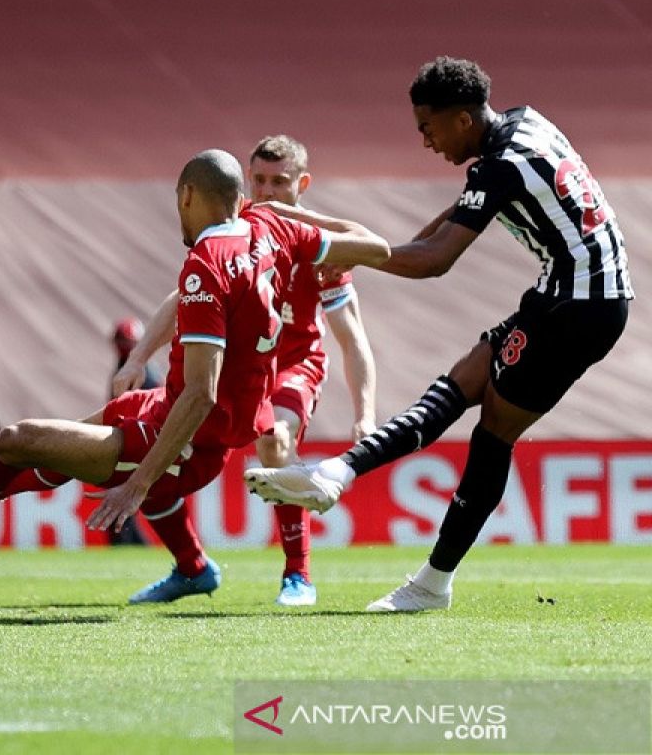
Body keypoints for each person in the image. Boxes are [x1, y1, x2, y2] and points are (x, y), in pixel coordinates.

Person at [0, 150, 390, 606]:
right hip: (170, 406)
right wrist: (296, 218)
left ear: (185, 197)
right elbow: (378, 248)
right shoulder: (273, 229)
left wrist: (139, 484)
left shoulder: (208, 261)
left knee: (21, 439)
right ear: (243, 197)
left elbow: (200, 394)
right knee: (56, 447)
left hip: (187, 437)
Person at [245, 57, 632, 612]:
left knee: (493, 431)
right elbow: (452, 221)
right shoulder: (525, 125)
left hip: (579, 308)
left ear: (461, 119)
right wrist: (378, 244)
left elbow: (434, 262)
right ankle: (339, 472)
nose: (426, 142)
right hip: (571, 295)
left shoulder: (499, 166)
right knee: (467, 376)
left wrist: (341, 250)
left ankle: (431, 581)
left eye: (427, 127)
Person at [246, 135, 377, 607]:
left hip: (294, 365)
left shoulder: (322, 250)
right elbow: (185, 297)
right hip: (236, 366)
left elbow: (352, 336)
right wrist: (139, 358)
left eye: (280, 183)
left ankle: (297, 576)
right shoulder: (232, 227)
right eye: (258, 180)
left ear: (302, 184)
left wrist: (365, 413)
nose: (267, 192)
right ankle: (191, 566)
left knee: (276, 442)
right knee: (171, 450)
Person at [105, 317, 159, 545]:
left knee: (125, 501)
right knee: (126, 504)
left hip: (140, 447)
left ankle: (129, 543)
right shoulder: (130, 370)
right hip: (132, 445)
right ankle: (132, 543)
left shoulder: (142, 375)